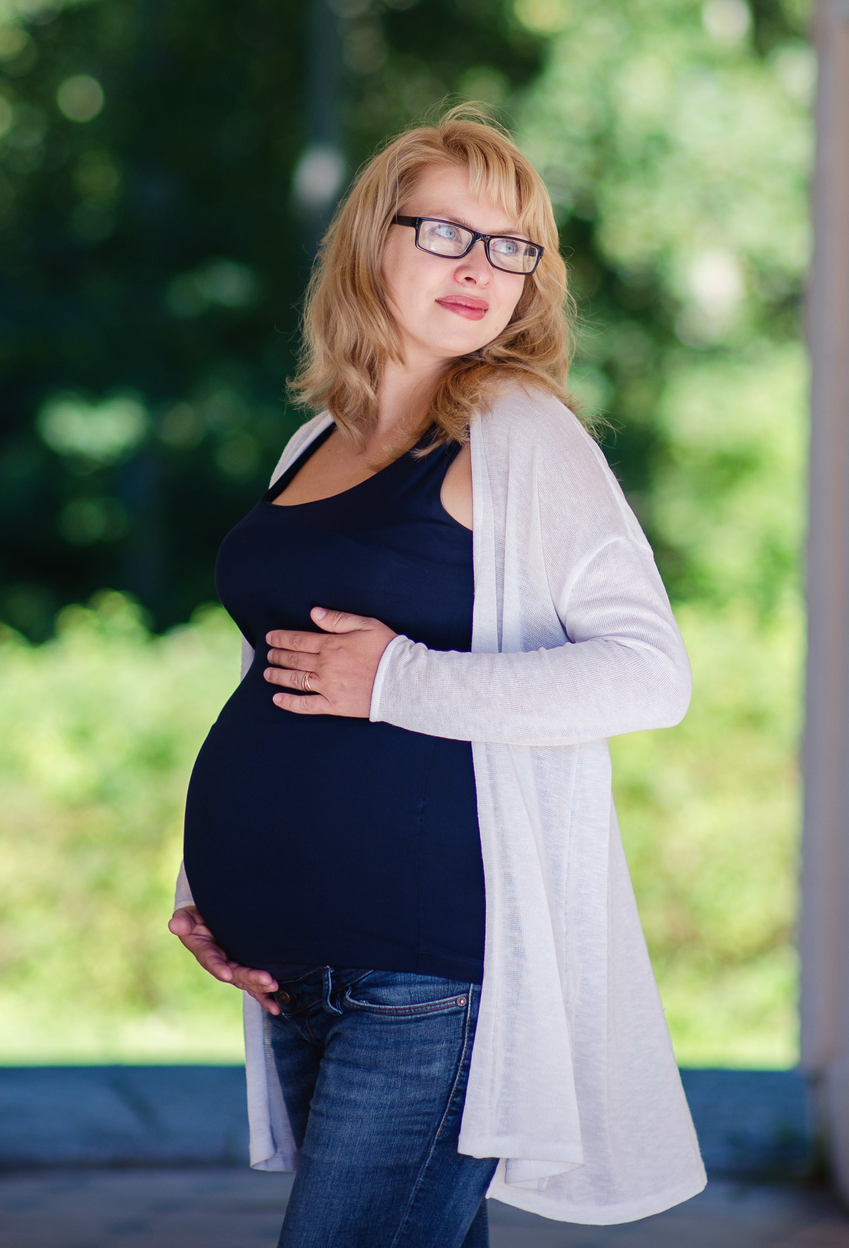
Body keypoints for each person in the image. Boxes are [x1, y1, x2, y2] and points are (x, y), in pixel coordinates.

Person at [168, 105, 706, 1247]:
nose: (483, 267)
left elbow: (649, 674)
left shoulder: (515, 432)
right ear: (372, 240)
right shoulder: (318, 436)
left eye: (513, 247)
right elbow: (279, 668)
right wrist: (205, 875)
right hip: (300, 963)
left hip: (426, 974)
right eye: (448, 232)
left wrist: (403, 679)